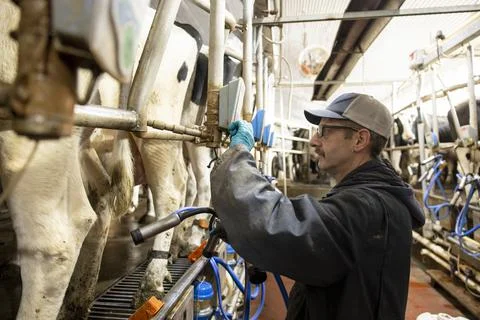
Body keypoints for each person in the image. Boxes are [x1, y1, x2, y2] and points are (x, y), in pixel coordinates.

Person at [210, 92, 425, 320]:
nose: (313, 140)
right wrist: (237, 228)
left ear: (359, 140)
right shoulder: (372, 196)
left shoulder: (368, 206)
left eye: (324, 131)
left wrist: (238, 156)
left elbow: (279, 227)